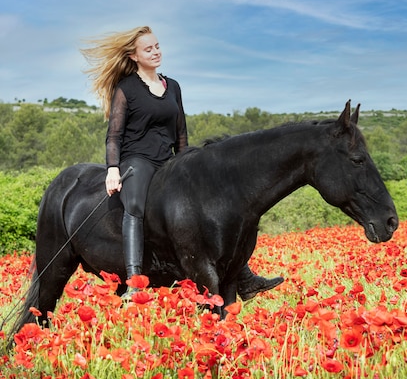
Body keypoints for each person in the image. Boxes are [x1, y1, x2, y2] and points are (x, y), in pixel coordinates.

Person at [81, 26, 283, 300]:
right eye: (148, 49)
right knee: (136, 207)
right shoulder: (126, 88)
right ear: (133, 56)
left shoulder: (172, 86)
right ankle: (134, 281)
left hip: (169, 161)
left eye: (157, 46)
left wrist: (187, 164)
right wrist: (113, 170)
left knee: (211, 205)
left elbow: (181, 132)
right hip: (137, 161)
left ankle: (244, 276)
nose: (155, 52)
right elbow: (114, 135)